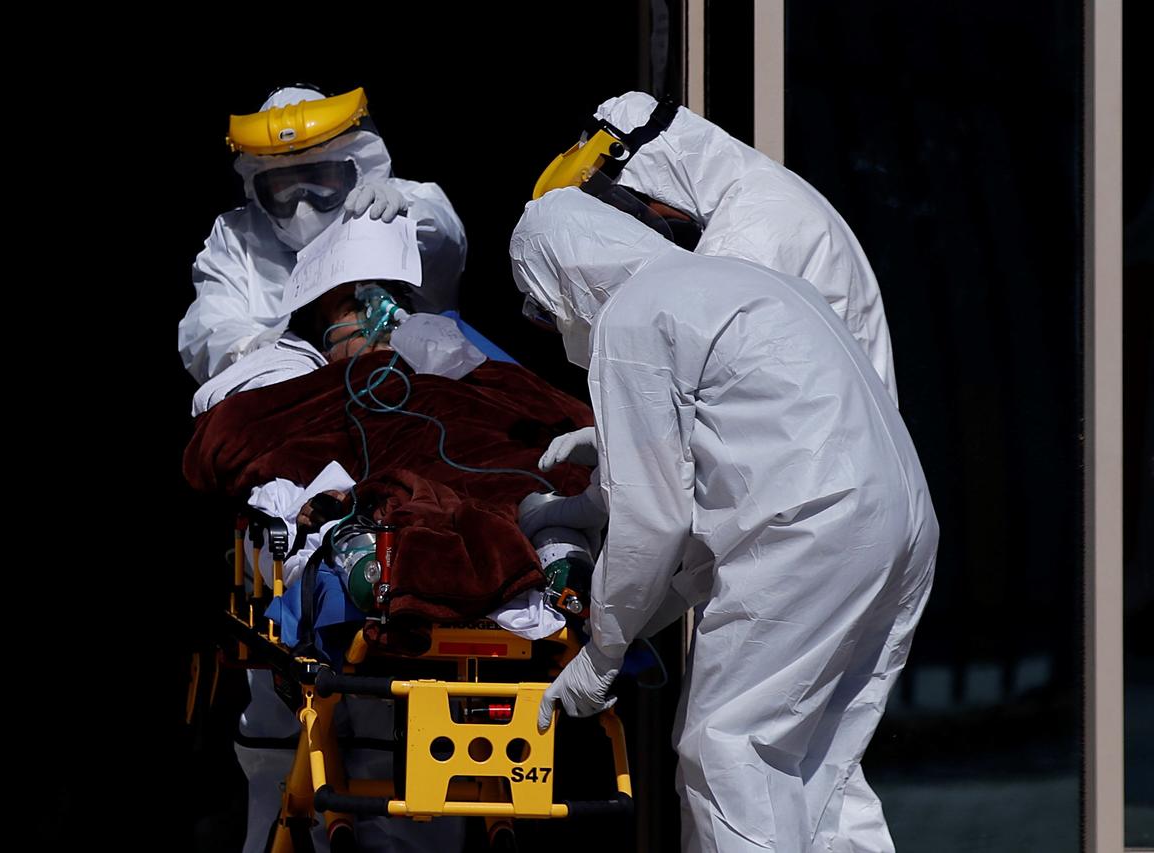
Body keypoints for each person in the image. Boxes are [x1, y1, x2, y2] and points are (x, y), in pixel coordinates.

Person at [510, 189, 937, 853]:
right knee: (821, 764)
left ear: (562, 277)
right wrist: (591, 486)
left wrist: (601, 655)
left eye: (542, 307)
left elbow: (653, 519)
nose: (552, 323)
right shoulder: (727, 277)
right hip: (895, 521)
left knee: (728, 749)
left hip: (810, 526)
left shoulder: (632, 315)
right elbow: (725, 435)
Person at [534, 91, 898, 403]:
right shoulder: (758, 193)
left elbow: (695, 375)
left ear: (657, 175)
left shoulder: (751, 230)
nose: (642, 220)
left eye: (632, 204)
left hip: (823, 448)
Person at [178, 85, 467, 384]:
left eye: (320, 179)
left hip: (413, 378)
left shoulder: (392, 202)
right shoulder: (235, 236)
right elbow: (208, 330)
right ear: (257, 185)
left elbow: (445, 248)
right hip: (285, 386)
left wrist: (408, 221)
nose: (302, 203)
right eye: (282, 186)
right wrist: (256, 352)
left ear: (356, 168)